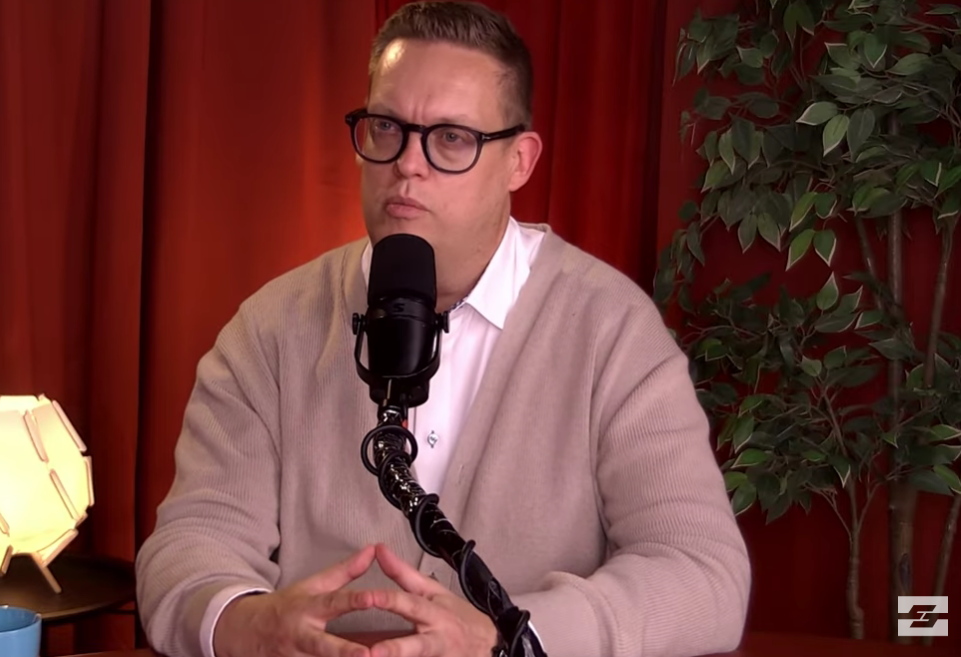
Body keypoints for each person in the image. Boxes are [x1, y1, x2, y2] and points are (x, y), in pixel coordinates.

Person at [135, 2, 752, 656]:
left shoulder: (612, 331)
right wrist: (245, 623)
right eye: (386, 127)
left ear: (519, 161)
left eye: (451, 138)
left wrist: (507, 636)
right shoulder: (269, 330)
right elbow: (188, 546)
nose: (408, 164)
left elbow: (702, 576)